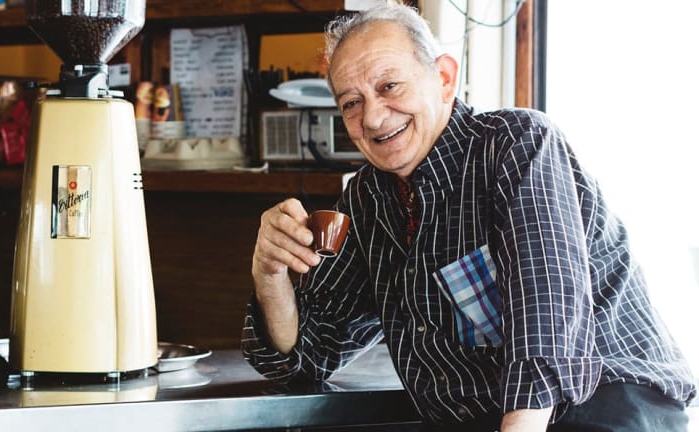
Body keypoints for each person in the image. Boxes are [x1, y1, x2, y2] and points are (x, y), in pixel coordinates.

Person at [241, 2, 697, 431]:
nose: (374, 118)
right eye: (351, 102)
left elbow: (547, 315)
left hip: (603, 407)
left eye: (388, 86)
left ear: (443, 77)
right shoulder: (367, 198)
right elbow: (309, 354)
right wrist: (270, 273)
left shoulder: (515, 143)